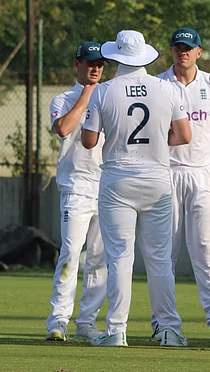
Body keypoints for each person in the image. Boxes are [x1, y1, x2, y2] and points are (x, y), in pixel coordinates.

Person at [82, 30, 192, 347]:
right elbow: (184, 135)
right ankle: (169, 329)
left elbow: (89, 140)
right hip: (157, 178)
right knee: (159, 260)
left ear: (116, 56)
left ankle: (117, 330)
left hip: (117, 178)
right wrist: (158, 141)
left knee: (119, 259)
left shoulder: (103, 91)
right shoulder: (167, 88)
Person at [155, 28, 210, 343]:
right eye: (177, 47)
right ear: (171, 51)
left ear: (199, 52)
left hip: (202, 175)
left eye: (188, 48)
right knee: (166, 251)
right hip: (167, 174)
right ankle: (162, 321)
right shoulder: (159, 84)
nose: (182, 52)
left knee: (205, 249)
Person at [45, 42, 108, 342]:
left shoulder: (110, 98)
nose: (95, 68)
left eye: (100, 64)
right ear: (78, 64)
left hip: (106, 187)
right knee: (70, 254)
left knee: (99, 258)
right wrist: (87, 94)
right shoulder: (63, 98)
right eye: (90, 63)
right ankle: (58, 320)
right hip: (75, 188)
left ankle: (87, 321)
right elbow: (63, 128)